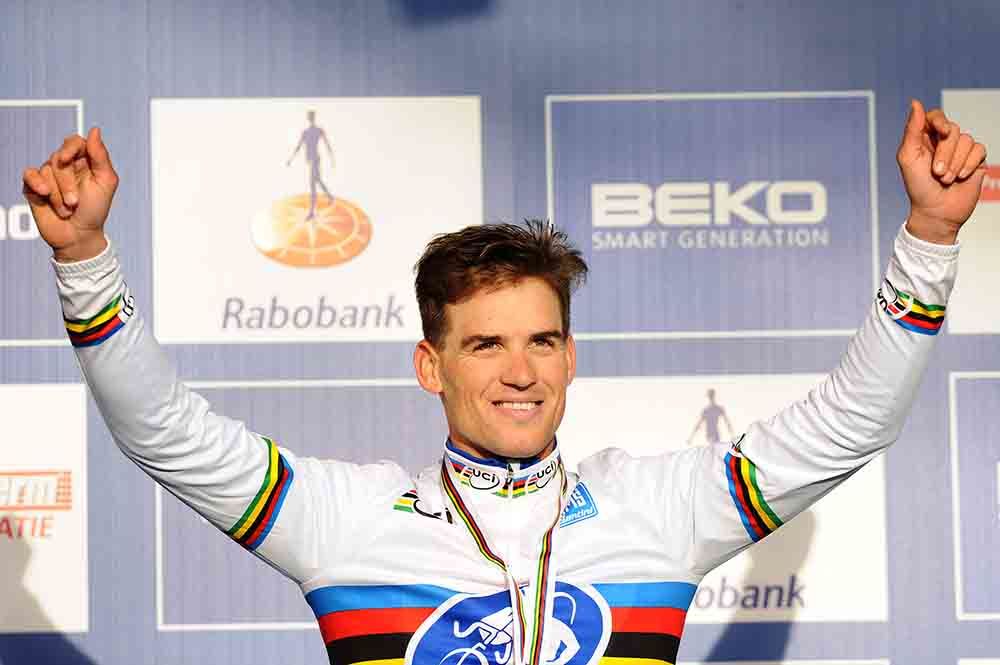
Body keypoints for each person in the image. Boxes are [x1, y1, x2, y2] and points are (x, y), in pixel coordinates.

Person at [21, 100, 987, 665]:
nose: (521, 372)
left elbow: (853, 422)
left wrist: (932, 236)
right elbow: (163, 431)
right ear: (430, 365)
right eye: (485, 345)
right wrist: (85, 257)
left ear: (570, 356)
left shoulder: (660, 506)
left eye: (542, 341)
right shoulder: (346, 520)